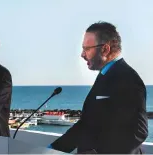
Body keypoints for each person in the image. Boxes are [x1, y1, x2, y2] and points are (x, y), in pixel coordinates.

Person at [48, 21, 148, 154]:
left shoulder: (128, 79)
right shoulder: (105, 75)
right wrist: (52, 149)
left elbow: (138, 131)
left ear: (105, 49)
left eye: (87, 49)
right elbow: (87, 124)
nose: (82, 55)